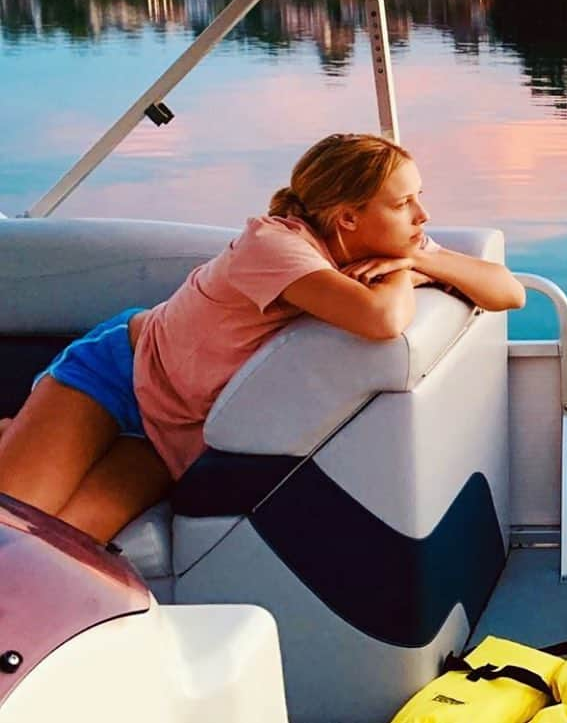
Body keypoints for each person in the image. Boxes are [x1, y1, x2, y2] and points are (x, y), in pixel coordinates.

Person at [0, 133, 525, 543]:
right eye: (404, 202)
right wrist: (408, 270)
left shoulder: (390, 242)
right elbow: (381, 319)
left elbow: (508, 291)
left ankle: (15, 436)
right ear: (347, 217)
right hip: (117, 375)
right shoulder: (273, 245)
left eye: (419, 199)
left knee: (60, 544)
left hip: (173, 432)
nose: (422, 216)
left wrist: (418, 257)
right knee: (12, 530)